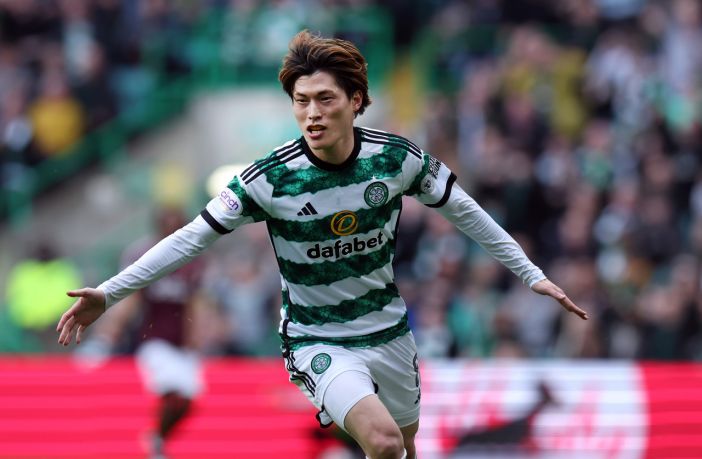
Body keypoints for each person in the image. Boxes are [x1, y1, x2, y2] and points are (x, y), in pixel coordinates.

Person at [57, 30, 588, 459]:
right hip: (317, 339)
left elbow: (466, 212)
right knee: (382, 442)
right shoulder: (269, 179)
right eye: (301, 101)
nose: (311, 113)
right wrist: (109, 293)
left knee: (404, 447)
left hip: (389, 331)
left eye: (324, 99)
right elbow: (190, 239)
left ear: (355, 101)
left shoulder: (395, 159)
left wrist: (531, 274)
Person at [77, 206, 206, 459]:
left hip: (181, 341)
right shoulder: (144, 254)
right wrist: (107, 335)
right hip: (154, 337)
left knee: (188, 401)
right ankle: (156, 443)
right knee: (174, 394)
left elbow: (195, 301)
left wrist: (196, 336)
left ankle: (158, 439)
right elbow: (130, 299)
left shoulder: (194, 259)